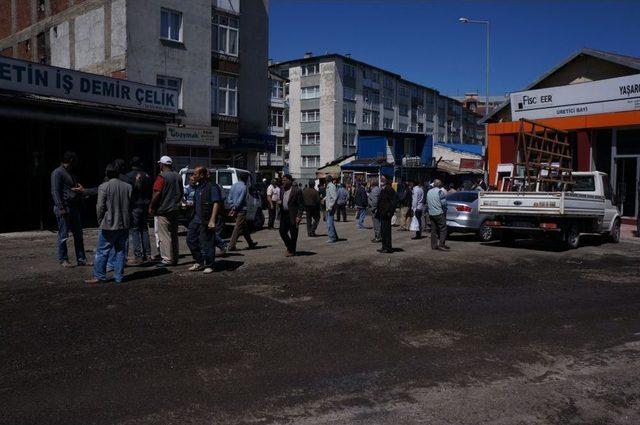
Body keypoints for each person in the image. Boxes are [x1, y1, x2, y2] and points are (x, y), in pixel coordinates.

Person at [86, 162, 132, 284]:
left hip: (108, 223)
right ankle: (118, 276)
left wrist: (100, 220)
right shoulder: (128, 187)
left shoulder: (104, 187)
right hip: (124, 223)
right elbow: (129, 205)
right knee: (121, 251)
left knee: (102, 251)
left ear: (107, 173)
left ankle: (100, 276)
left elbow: (100, 207)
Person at [51, 151, 90, 268]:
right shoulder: (57, 172)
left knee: (78, 234)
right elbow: (55, 191)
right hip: (64, 208)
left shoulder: (70, 173)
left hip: (73, 207)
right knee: (63, 235)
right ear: (71, 160)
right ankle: (63, 259)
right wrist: (61, 207)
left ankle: (81, 259)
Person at [186, 167, 222, 274]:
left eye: (195, 174)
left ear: (202, 175)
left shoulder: (212, 187)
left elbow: (216, 203)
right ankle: (199, 261)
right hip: (196, 219)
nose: (193, 175)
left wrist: (212, 220)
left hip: (206, 219)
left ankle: (210, 264)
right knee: (190, 240)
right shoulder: (198, 187)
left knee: (207, 243)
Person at [149, 156, 183, 266]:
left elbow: (157, 192)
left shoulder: (161, 177)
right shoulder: (178, 176)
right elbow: (181, 192)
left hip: (163, 210)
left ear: (162, 165)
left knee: (164, 235)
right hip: (175, 209)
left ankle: (167, 258)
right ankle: (175, 258)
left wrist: (151, 206)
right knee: (174, 235)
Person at [125, 157, 153, 265]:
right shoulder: (147, 175)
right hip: (145, 204)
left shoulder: (129, 176)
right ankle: (148, 254)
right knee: (144, 229)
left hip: (135, 205)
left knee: (135, 230)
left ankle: (139, 256)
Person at [227, 173, 258, 251]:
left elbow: (229, 197)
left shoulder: (234, 185)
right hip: (241, 210)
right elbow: (240, 200)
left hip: (235, 208)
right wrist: (235, 207)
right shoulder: (244, 187)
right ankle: (231, 245)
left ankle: (250, 243)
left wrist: (232, 206)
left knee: (244, 227)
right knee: (238, 228)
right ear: (247, 179)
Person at [278, 174, 305, 256]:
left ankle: (291, 250)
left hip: (293, 215)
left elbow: (301, 205)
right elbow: (282, 200)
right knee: (282, 231)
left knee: (294, 234)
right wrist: (280, 203)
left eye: (284, 180)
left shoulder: (297, 191)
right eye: (282, 180)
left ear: (290, 181)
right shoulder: (282, 189)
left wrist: (299, 216)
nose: (283, 181)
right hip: (284, 214)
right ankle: (290, 246)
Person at [427, 179, 449, 251]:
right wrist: (445, 211)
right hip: (439, 213)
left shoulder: (429, 192)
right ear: (440, 185)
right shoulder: (440, 192)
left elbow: (427, 203)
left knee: (433, 230)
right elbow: (444, 203)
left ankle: (434, 245)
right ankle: (441, 245)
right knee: (443, 229)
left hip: (431, 213)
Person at [377, 176, 397, 254]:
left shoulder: (389, 189)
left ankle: (387, 247)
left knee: (386, 231)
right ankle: (384, 246)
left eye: (383, 179)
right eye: (381, 179)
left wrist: (390, 212)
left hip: (386, 214)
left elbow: (393, 202)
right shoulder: (383, 189)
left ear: (386, 180)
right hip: (382, 214)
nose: (381, 180)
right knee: (383, 231)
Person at [325, 175, 339, 243]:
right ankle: (334, 236)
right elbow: (329, 195)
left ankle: (332, 237)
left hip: (330, 208)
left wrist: (330, 206)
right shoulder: (329, 186)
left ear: (327, 180)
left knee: (329, 223)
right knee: (330, 222)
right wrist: (324, 199)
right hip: (329, 207)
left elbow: (334, 197)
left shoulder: (331, 186)